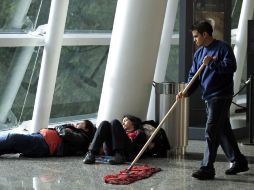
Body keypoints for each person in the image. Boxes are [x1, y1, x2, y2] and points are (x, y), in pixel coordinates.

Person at [176, 20, 249, 180]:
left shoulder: (223, 48)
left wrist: (212, 64)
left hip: (221, 95)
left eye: (196, 36)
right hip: (208, 97)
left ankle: (207, 168)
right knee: (222, 130)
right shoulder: (198, 54)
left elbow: (231, 67)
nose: (194, 39)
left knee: (211, 130)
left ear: (205, 34)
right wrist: (185, 91)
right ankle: (239, 161)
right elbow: (193, 77)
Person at [0, 120, 96, 157]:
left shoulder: (83, 137)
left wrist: (65, 126)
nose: (77, 123)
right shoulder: (76, 131)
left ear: (86, 129)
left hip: (44, 144)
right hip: (41, 138)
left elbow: (65, 134)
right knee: (11, 145)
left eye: (80, 123)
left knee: (12, 138)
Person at [83, 115, 147, 165]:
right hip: (111, 152)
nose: (123, 123)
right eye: (122, 121)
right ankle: (91, 153)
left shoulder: (139, 132)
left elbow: (139, 147)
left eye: (125, 120)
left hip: (127, 152)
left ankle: (119, 154)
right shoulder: (119, 131)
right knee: (104, 123)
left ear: (133, 122)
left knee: (114, 122)